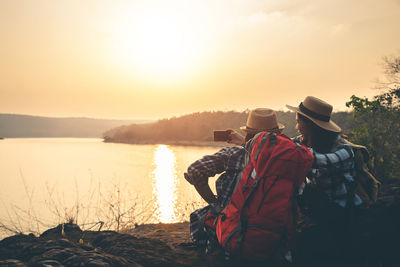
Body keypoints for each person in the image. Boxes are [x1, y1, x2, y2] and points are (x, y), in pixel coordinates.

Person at [184, 108, 285, 246]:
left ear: (248, 134)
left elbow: (194, 170)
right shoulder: (287, 159)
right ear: (278, 135)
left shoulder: (235, 155)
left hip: (233, 228)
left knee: (199, 217)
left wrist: (215, 202)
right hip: (273, 231)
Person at [286, 96, 362, 263]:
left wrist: (288, 150)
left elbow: (320, 161)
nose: (296, 127)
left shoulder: (344, 150)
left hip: (342, 212)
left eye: (299, 122)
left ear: (311, 126)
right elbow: (284, 146)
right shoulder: (305, 142)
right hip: (321, 208)